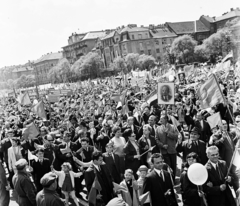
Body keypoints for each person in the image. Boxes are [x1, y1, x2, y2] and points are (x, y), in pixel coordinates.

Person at [156, 115, 178, 179]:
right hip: (164, 151)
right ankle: (167, 179)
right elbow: (157, 139)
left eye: (161, 119)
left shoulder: (173, 127)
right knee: (166, 167)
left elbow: (176, 136)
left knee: (173, 166)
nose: (160, 120)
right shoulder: (158, 128)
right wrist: (162, 145)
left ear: (166, 119)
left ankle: (173, 180)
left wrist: (168, 132)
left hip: (172, 150)